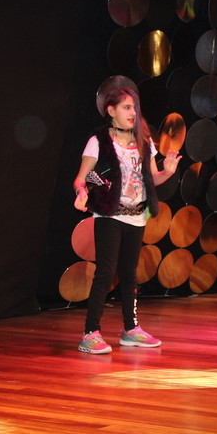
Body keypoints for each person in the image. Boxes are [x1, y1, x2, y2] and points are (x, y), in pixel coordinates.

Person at [72, 85, 181, 354]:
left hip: (137, 216)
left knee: (129, 274)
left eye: (134, 108)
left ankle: (131, 330)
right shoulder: (98, 140)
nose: (133, 113)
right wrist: (82, 192)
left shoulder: (144, 141)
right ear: (111, 111)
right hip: (109, 214)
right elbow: (81, 178)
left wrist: (167, 172)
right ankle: (90, 333)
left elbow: (151, 179)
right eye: (127, 107)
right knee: (105, 272)